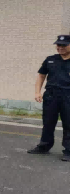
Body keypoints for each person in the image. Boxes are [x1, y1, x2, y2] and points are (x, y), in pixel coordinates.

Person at [28, 34, 69, 162]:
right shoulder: (50, 59)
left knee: (69, 124)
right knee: (48, 123)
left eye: (63, 45)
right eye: (58, 45)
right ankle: (44, 146)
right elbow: (41, 75)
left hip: (69, 96)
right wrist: (37, 92)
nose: (60, 47)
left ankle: (69, 151)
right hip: (51, 96)